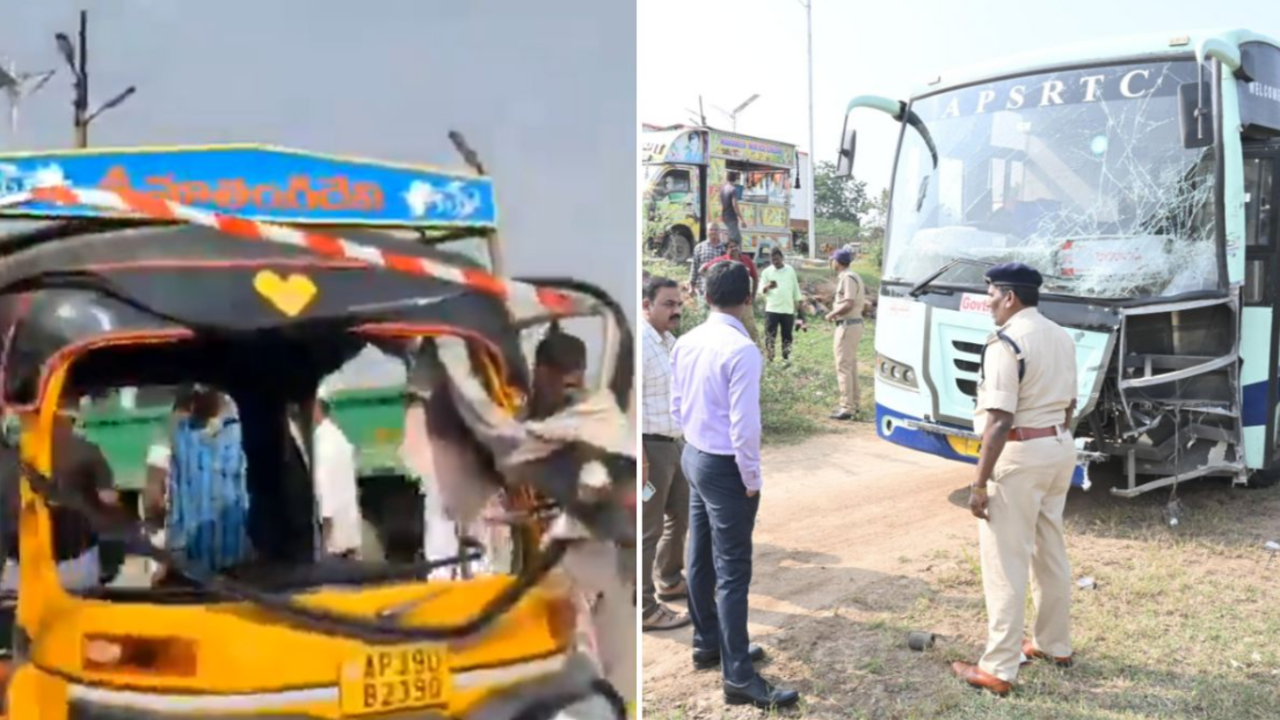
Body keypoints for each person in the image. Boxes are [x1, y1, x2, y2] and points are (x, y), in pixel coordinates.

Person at [670, 261, 799, 709]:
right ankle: (738, 676)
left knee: (700, 554)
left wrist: (694, 443)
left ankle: (710, 644)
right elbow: (746, 427)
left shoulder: (686, 341)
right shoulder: (741, 350)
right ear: (749, 298)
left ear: (705, 297)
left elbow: (676, 403)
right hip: (725, 466)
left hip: (693, 455)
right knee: (733, 570)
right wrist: (750, 477)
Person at [951, 262, 1079, 696]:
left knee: (1006, 562)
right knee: (1050, 549)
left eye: (990, 294)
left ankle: (999, 669)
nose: (987, 302)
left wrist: (979, 482)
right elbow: (1070, 406)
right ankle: (1053, 643)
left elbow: (1000, 421)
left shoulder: (1006, 342)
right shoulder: (1061, 336)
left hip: (1020, 453)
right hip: (1059, 447)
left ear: (1009, 296)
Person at [0, 394, 120, 592]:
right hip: (75, 565)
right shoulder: (88, 451)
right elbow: (108, 504)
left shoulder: (13, 455)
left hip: (22, 569)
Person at [640, 276, 691, 632]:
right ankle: (643, 609)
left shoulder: (668, 341)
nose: (675, 310)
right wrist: (639, 457)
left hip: (674, 444)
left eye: (678, 304)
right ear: (646, 305)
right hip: (648, 449)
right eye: (667, 304)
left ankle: (669, 579)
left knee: (681, 514)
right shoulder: (640, 344)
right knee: (647, 529)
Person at [164, 387, 253, 580]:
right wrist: (174, 553)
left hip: (237, 567)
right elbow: (177, 497)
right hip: (192, 568)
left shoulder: (243, 432)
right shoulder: (181, 435)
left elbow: (254, 496)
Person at [311, 385, 364, 559]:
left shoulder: (322, 442)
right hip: (348, 539)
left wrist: (324, 529)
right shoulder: (338, 436)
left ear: (316, 407)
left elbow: (325, 489)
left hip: (333, 543)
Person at [825, 248, 868, 421]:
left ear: (838, 262)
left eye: (832, 260)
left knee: (843, 366)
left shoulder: (848, 277)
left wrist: (831, 314)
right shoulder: (853, 275)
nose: (831, 263)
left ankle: (847, 407)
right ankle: (854, 404)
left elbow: (848, 303)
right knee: (850, 366)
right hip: (853, 324)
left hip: (847, 325)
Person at [700, 239, 760, 344]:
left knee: (750, 329)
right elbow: (702, 270)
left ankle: (757, 351)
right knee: (728, 329)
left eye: (736, 246)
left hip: (744, 301)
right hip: (726, 302)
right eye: (731, 247)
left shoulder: (746, 260)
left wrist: (753, 296)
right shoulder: (722, 261)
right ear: (726, 250)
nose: (734, 249)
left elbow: (755, 278)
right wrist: (715, 282)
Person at [757, 247, 804, 362]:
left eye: (777, 259)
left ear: (782, 258)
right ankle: (770, 358)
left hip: (787, 309)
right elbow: (760, 290)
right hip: (772, 309)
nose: (775, 262)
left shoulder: (790, 270)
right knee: (770, 335)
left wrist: (799, 301)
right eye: (773, 260)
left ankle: (786, 358)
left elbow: (795, 287)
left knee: (787, 336)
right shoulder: (767, 272)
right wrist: (767, 287)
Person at [690, 226, 727, 298]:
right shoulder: (699, 247)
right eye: (711, 229)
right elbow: (694, 267)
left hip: (720, 288)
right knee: (703, 308)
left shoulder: (725, 248)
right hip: (702, 288)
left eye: (716, 229)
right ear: (707, 232)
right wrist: (691, 286)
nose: (713, 232)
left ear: (719, 232)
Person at [721, 171, 744, 244]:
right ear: (735, 179)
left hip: (725, 216)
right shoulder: (733, 189)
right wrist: (741, 218)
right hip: (731, 217)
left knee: (734, 237)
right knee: (735, 239)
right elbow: (735, 205)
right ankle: (732, 254)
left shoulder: (723, 188)